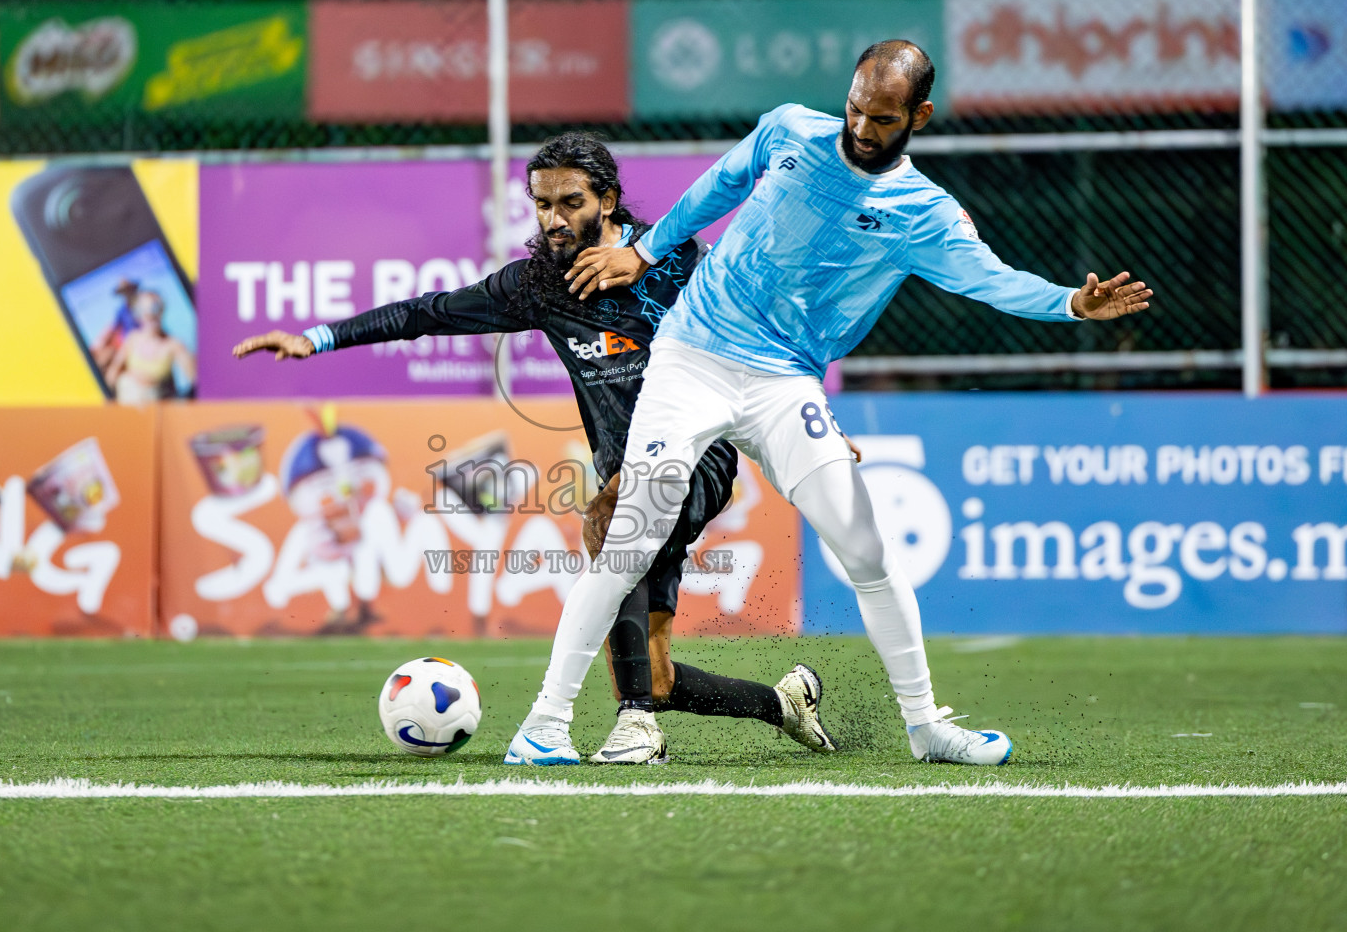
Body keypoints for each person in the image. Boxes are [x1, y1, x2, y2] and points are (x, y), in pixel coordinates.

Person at [504, 40, 1154, 767]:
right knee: (632, 537)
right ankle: (544, 727)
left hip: (785, 383)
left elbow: (992, 280)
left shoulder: (924, 214)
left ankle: (926, 727)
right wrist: (649, 251)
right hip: (693, 359)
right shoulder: (789, 130)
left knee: (867, 549)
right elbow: (719, 184)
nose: (862, 128)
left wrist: (1070, 302)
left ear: (919, 116)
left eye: (881, 118)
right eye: (855, 108)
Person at [233, 132, 837, 765]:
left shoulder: (673, 261)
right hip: (623, 473)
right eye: (542, 203)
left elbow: (755, 331)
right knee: (654, 674)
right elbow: (428, 313)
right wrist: (319, 338)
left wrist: (802, 409)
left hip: (701, 455)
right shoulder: (540, 286)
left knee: (612, 518)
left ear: (607, 199)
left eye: (570, 202)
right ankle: (782, 705)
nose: (553, 219)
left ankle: (636, 730)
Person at [106, 291, 196, 404]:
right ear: (137, 313)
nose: (149, 314)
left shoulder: (173, 345)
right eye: (143, 309)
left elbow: (194, 378)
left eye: (154, 308)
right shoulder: (132, 338)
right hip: (126, 395)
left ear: (162, 310)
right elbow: (113, 372)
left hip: (153, 403)